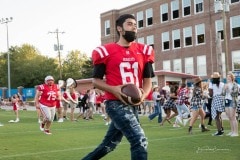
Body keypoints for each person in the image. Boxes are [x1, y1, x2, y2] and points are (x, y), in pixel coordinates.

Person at [82, 14, 154, 160]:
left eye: (135, 24)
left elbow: (148, 80)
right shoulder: (105, 51)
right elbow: (96, 81)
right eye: (129, 24)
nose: (134, 26)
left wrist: (143, 95)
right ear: (119, 29)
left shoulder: (144, 50)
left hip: (133, 103)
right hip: (115, 103)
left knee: (109, 144)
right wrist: (115, 89)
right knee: (140, 141)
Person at [222, 72, 239, 137]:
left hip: (232, 101)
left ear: (232, 78)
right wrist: (224, 89)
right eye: (227, 77)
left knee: (233, 117)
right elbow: (223, 94)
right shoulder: (225, 85)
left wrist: (229, 90)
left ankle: (236, 132)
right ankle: (232, 131)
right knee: (229, 117)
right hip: (226, 101)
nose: (228, 78)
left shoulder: (235, 85)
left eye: (229, 77)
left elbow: (235, 94)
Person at [209, 72, 225, 136]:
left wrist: (210, 95)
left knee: (216, 117)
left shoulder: (211, 84)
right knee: (219, 116)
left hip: (215, 99)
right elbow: (224, 92)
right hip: (221, 99)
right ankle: (221, 129)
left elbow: (210, 93)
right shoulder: (222, 84)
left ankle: (219, 131)